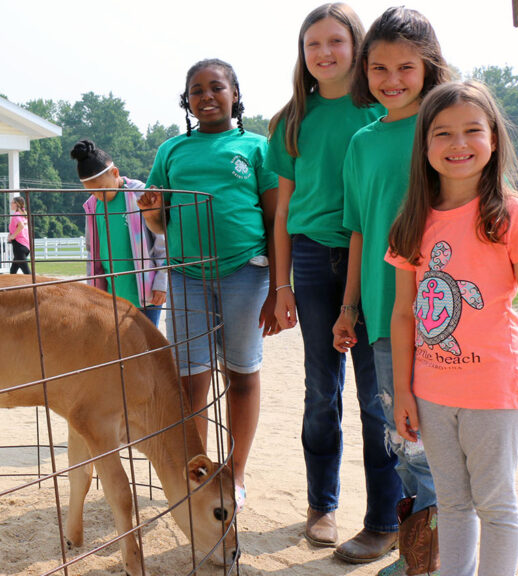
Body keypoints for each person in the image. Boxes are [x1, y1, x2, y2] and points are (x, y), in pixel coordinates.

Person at [386, 80, 518, 576]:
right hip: (432, 391)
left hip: (494, 390)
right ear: (425, 145)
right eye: (443, 133)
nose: (458, 144)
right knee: (452, 505)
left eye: (472, 130)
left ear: (494, 138)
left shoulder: (512, 215)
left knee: (496, 506)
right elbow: (404, 314)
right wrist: (404, 391)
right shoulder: (412, 220)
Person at [265, 3, 398, 562]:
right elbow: (283, 209)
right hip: (317, 262)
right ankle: (323, 505)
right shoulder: (291, 119)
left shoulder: (383, 110)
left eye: (336, 41)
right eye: (313, 43)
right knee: (323, 391)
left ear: (357, 45)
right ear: (303, 53)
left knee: (378, 396)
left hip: (376, 259)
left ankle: (385, 517)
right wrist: (282, 284)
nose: (324, 52)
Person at [334, 6, 452, 570]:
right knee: (402, 438)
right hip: (385, 313)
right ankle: (421, 554)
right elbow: (358, 228)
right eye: (378, 67)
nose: (392, 79)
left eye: (406, 66)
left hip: (447, 312)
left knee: (443, 446)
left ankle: (441, 557)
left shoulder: (446, 126)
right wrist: (349, 306)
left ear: (429, 67)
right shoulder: (361, 142)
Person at [138, 58, 279, 516]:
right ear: (187, 100)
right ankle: (198, 473)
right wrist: (151, 211)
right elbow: (160, 224)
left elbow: (277, 218)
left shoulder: (257, 148)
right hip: (186, 275)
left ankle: (234, 473)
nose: (206, 95)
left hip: (247, 271)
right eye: (196, 89)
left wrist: (281, 285)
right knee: (190, 380)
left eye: (216, 87)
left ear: (235, 93)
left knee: (240, 374)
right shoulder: (172, 151)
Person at [72, 139, 167, 326]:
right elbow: (92, 250)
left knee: (145, 347)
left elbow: (162, 240)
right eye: (91, 192)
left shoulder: (140, 195)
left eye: (100, 189)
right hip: (111, 295)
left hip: (145, 293)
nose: (98, 195)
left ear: (115, 173)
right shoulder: (93, 206)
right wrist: (93, 291)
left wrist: (162, 281)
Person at [7, 196, 31, 274]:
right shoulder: (23, 215)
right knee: (13, 271)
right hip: (26, 246)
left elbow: (21, 226)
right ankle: (11, 285)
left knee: (27, 273)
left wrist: (13, 236)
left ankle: (35, 285)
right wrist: (10, 234)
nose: (10, 204)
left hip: (19, 246)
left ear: (16, 204)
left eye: (12, 202)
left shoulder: (16, 214)